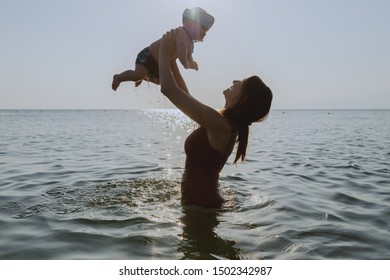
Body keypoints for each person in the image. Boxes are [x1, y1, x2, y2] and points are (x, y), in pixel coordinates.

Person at [158, 30, 273, 208]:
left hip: (203, 209)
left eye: (241, 82)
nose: (235, 81)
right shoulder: (222, 123)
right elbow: (185, 96)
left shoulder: (221, 125)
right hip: (203, 206)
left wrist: (164, 52)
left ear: (245, 98)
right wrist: (172, 62)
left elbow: (168, 89)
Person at [112, 7, 214, 91]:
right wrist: (186, 64)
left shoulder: (191, 44)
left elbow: (189, 57)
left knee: (162, 81)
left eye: (206, 31)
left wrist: (192, 64)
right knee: (138, 74)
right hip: (148, 56)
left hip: (160, 62)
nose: (205, 33)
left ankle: (144, 77)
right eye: (203, 29)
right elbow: (181, 50)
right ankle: (119, 77)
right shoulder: (182, 33)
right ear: (190, 24)